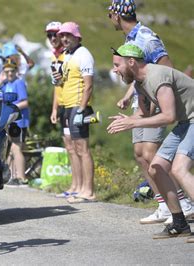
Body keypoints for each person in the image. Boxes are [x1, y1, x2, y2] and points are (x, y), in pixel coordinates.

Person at [107, 0, 193, 224]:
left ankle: (183, 203)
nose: (110, 19)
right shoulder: (130, 41)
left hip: (165, 105)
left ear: (117, 15)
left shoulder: (146, 37)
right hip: (152, 103)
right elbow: (136, 74)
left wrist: (152, 106)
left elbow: (166, 71)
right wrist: (129, 102)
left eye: (110, 14)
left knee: (161, 159)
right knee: (146, 158)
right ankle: (170, 212)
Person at [53, 22, 96, 203]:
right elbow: (63, 81)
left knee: (83, 149)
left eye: (68, 35)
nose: (64, 39)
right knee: (71, 148)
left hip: (79, 107)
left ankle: (89, 191)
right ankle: (77, 187)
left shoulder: (84, 54)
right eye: (62, 35)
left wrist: (82, 109)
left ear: (77, 37)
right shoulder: (67, 55)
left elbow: (88, 85)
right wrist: (57, 79)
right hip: (67, 107)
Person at [44, 21, 78, 198]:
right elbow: (57, 85)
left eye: (54, 34)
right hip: (63, 105)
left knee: (76, 146)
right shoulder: (54, 56)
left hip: (74, 103)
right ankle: (74, 185)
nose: (52, 38)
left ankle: (79, 185)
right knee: (69, 146)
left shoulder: (68, 55)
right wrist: (54, 109)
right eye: (48, 35)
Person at [0, 59, 30, 187]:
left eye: (12, 71)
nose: (10, 74)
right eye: (7, 71)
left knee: (16, 147)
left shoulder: (18, 83)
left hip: (19, 122)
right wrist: (0, 81)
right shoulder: (5, 85)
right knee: (10, 149)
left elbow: (24, 102)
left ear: (16, 71)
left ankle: (21, 177)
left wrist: (11, 108)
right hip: (9, 122)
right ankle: (12, 176)